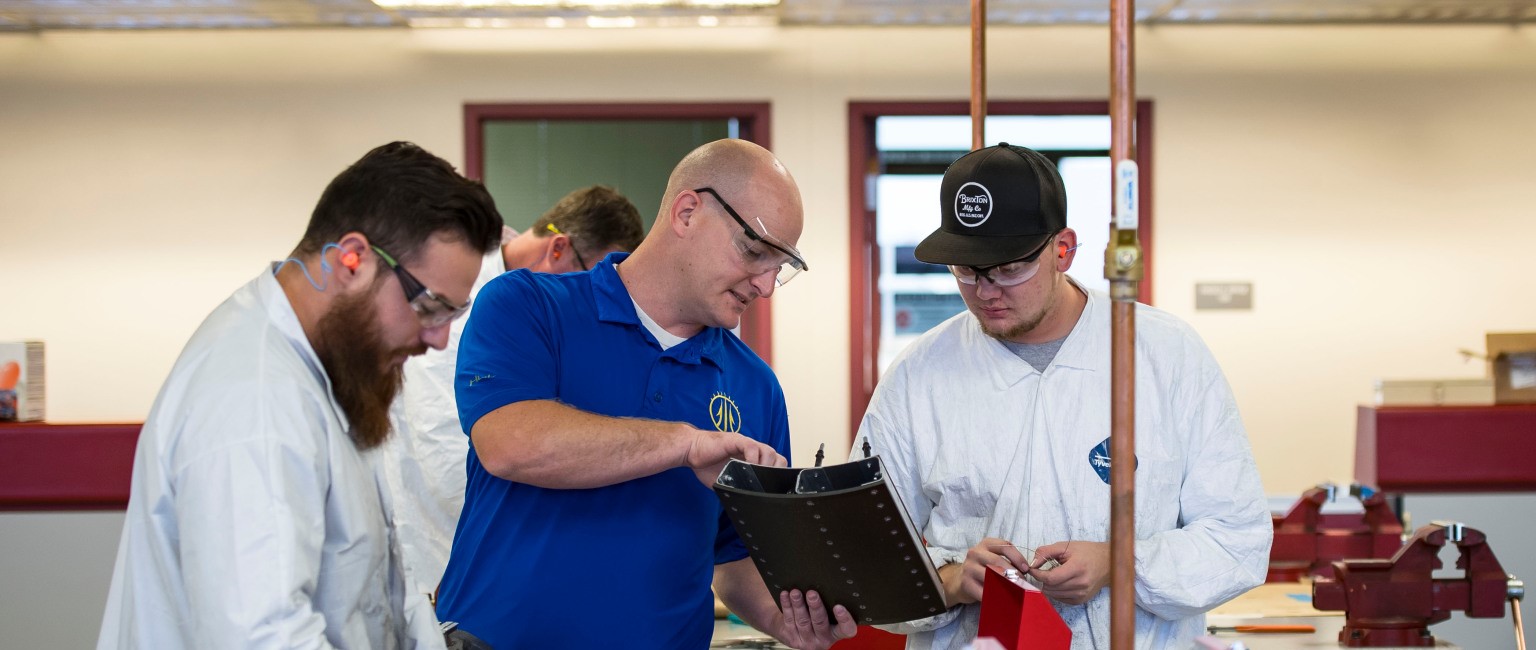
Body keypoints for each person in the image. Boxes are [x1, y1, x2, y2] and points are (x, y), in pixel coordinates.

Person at [434, 139, 857, 649]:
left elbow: (733, 555)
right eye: (754, 251)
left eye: (781, 265)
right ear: (686, 212)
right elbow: (511, 445)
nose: (766, 286)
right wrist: (684, 444)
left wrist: (782, 618)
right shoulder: (527, 306)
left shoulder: (755, 387)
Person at [854, 143, 1271, 650]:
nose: (986, 291)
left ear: (1063, 249)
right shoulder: (918, 376)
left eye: (1009, 268)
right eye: (966, 271)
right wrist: (954, 579)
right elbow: (864, 560)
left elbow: (1239, 541)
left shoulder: (1165, 356)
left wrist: (1121, 563)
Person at [98, 141, 505, 649]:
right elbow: (262, 637)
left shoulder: (336, 368)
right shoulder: (254, 398)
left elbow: (380, 572)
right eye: (430, 308)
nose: (438, 339)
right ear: (353, 260)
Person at [376, 185, 645, 600]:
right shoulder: (468, 294)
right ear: (558, 248)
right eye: (590, 278)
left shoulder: (543, 308)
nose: (590, 298)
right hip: (433, 536)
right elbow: (442, 445)